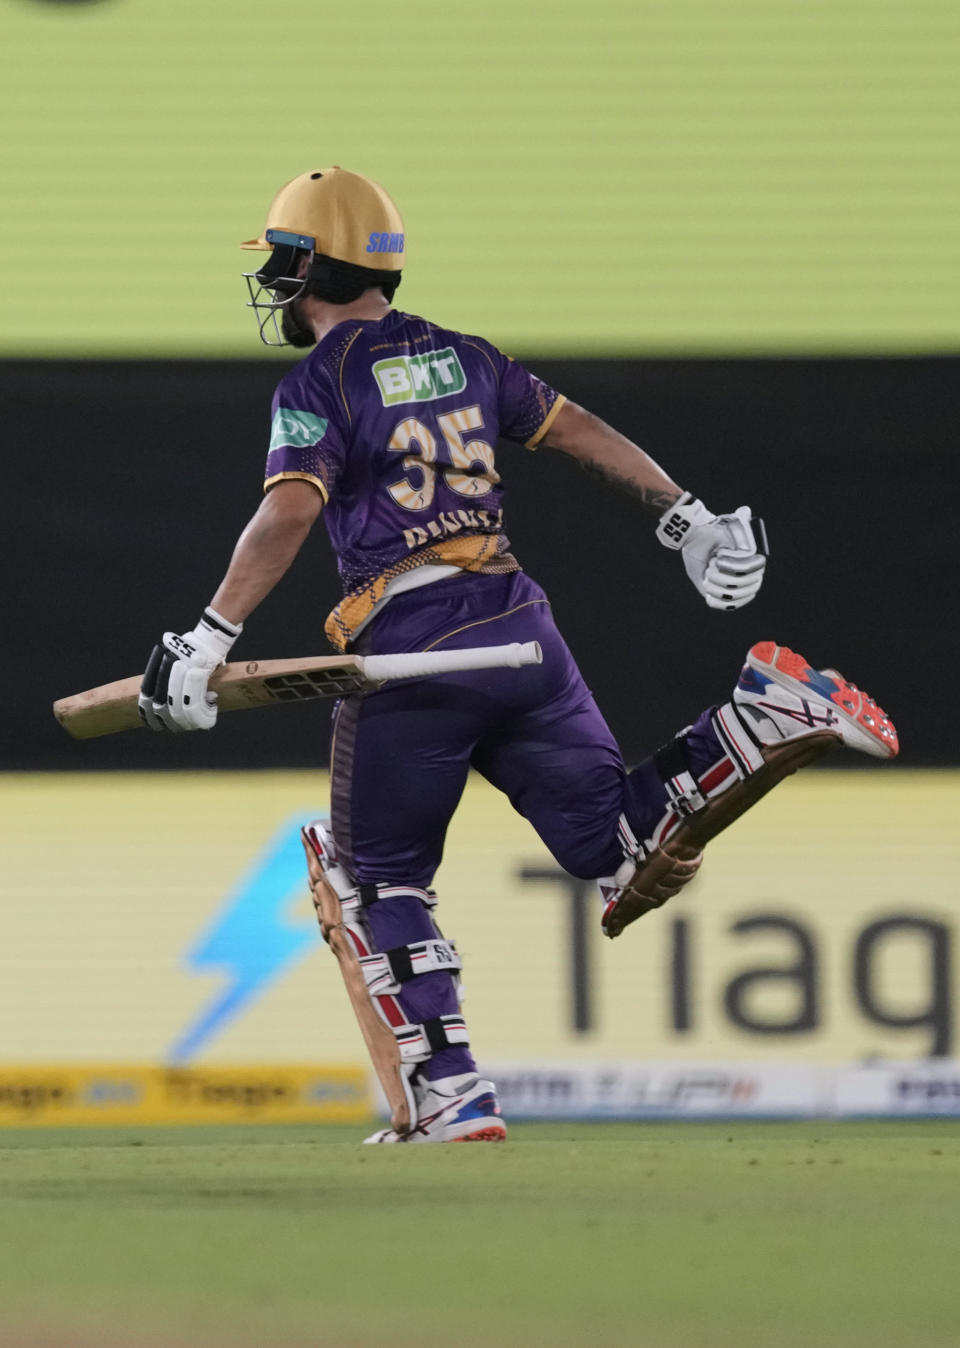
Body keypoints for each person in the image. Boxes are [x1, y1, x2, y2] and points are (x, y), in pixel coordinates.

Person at [138, 167, 897, 1143]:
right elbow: (575, 429)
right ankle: (758, 718)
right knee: (614, 847)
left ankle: (450, 1091)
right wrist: (689, 519)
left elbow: (289, 509)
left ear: (308, 264)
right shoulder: (464, 357)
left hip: (412, 637)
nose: (276, 284)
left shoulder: (317, 378)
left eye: (283, 260)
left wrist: (208, 635)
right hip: (517, 624)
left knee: (376, 881)